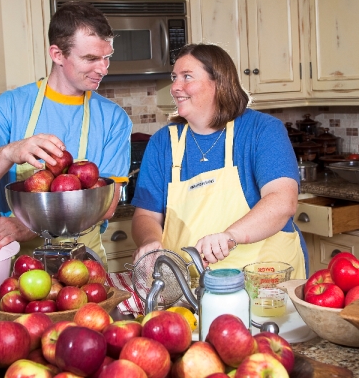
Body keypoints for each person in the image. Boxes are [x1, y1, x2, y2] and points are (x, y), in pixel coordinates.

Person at [0, 1, 133, 265]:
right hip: (22, 263)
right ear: (57, 54)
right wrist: (9, 152)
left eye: (107, 57)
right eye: (91, 58)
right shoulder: (10, 106)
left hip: (85, 262)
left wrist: (32, 225)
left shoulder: (113, 118)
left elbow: (107, 206)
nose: (103, 69)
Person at [131, 43, 308, 279]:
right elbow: (146, 215)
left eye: (187, 77)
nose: (174, 87)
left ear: (219, 82)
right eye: (174, 77)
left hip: (265, 280)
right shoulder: (163, 143)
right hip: (189, 284)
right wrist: (150, 242)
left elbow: (282, 201)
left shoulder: (262, 130)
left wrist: (230, 236)